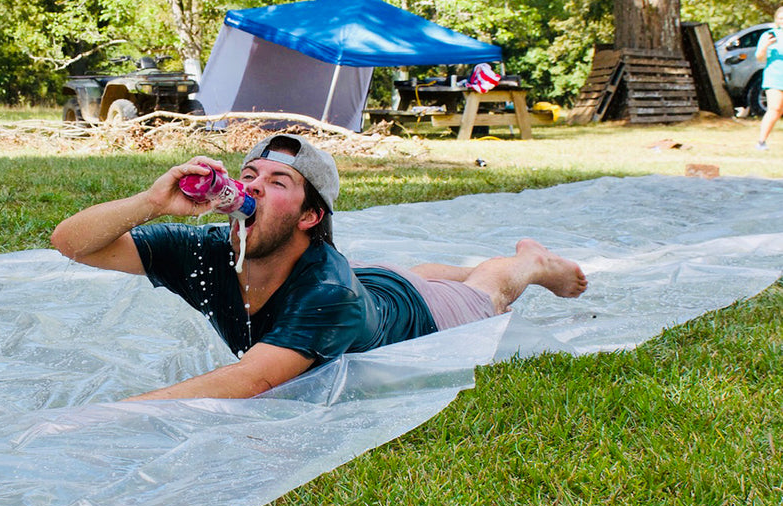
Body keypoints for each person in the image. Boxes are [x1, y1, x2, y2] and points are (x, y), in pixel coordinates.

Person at [49, 133, 587, 401]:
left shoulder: (330, 291)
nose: (252, 185)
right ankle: (429, 271)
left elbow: (252, 378)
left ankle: (530, 262)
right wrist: (151, 201)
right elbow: (71, 242)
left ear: (311, 215)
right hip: (367, 284)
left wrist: (95, 418)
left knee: (486, 293)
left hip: (414, 313)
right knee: (396, 274)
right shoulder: (210, 249)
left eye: (277, 181)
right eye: (249, 173)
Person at [757, 7, 783, 150]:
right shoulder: (769, 35)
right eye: (781, 18)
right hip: (775, 76)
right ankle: (761, 141)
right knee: (775, 108)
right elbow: (759, 57)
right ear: (776, 20)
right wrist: (766, 46)